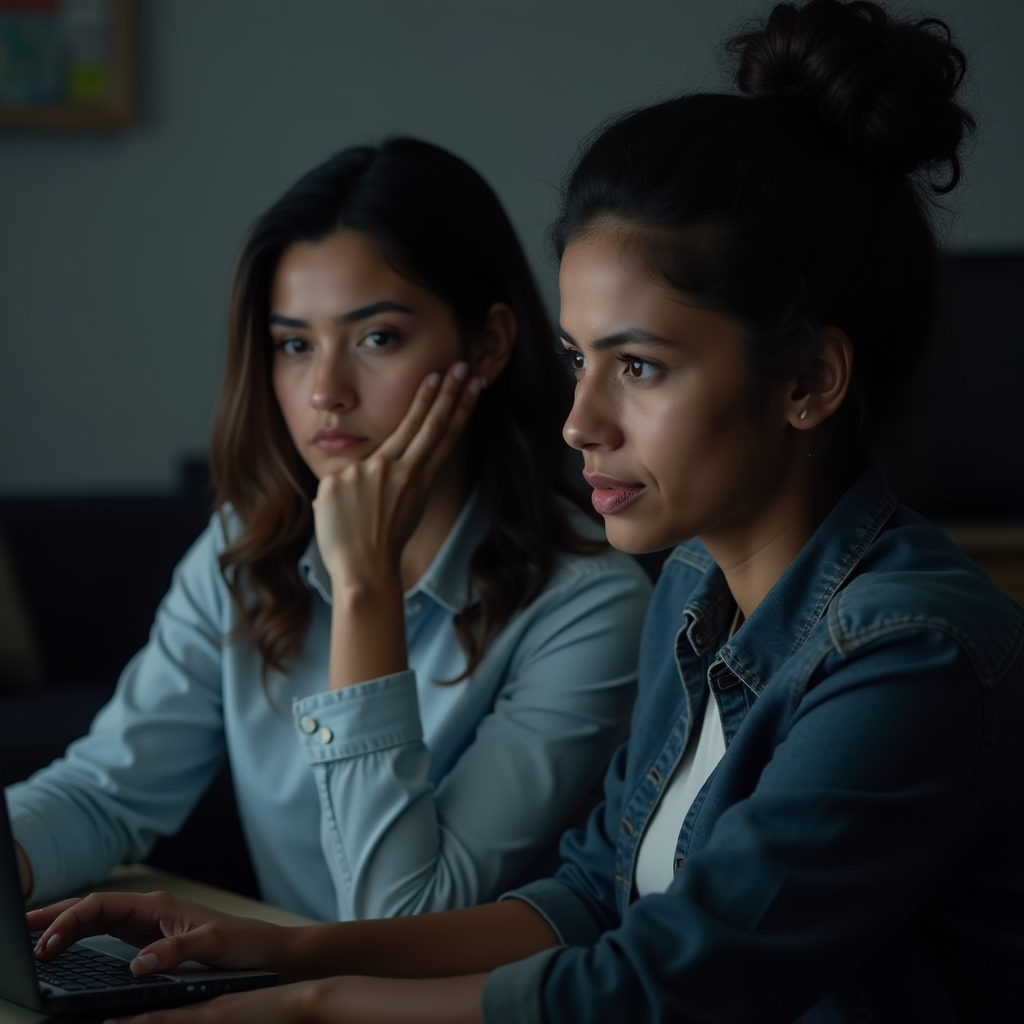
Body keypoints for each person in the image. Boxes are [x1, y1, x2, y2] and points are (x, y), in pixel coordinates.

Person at [28, 1, 1023, 1021]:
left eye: (639, 365)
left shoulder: (909, 652)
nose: (579, 420)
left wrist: (311, 1001)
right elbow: (591, 894)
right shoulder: (693, 586)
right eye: (578, 359)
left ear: (809, 378)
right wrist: (280, 950)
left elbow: (651, 985)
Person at [6, 138, 652, 923]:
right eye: (294, 345)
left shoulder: (588, 604)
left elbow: (396, 918)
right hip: (277, 992)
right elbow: (104, 793)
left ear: (486, 345)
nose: (325, 393)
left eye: (377, 337)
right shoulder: (242, 549)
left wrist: (364, 586)